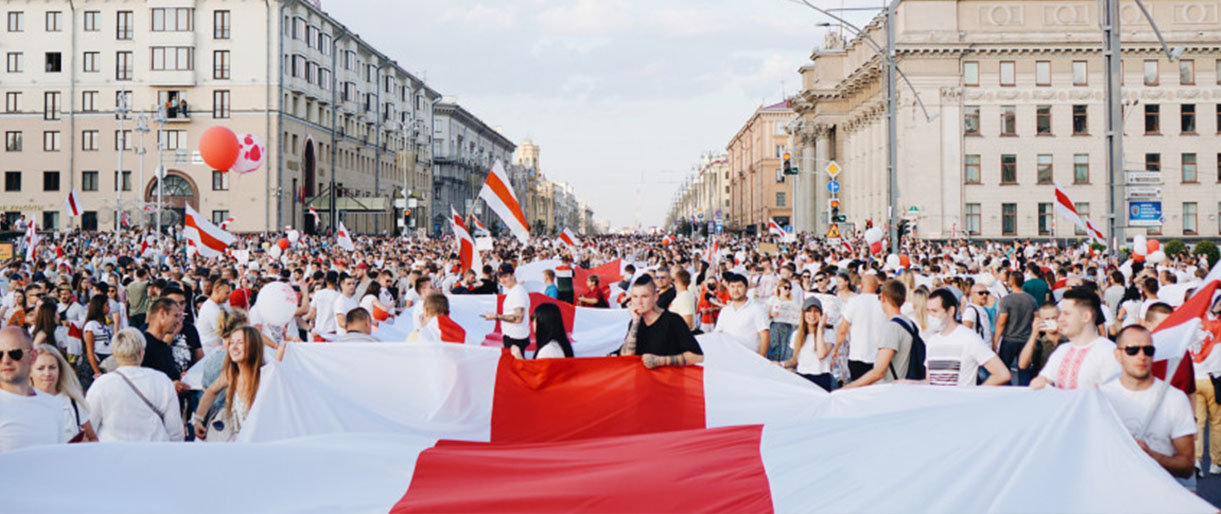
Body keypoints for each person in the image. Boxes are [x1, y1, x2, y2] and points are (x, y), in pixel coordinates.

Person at [1100, 325, 1195, 480]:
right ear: (1118, 355)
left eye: (1148, 350)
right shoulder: (1102, 397)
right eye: (1132, 350)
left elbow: (1187, 466)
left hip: (1160, 496)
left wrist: (1151, 456)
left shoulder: (1175, 399)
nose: (1142, 356)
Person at [85, 328, 184, 442]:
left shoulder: (101, 385)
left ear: (114, 354)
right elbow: (175, 431)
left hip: (114, 453)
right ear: (141, 352)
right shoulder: (162, 381)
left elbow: (90, 427)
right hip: (154, 452)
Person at [1030, 287, 1120, 390]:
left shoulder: (1108, 352)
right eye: (1061, 313)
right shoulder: (1062, 350)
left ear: (1086, 317)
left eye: (1067, 314)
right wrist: (1040, 382)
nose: (1060, 319)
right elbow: (1044, 378)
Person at [923, 288, 1010, 386]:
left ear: (951, 311)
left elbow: (1002, 374)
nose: (930, 316)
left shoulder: (969, 338)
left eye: (934, 311)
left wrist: (974, 394)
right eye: (928, 311)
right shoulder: (932, 341)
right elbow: (930, 380)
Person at [0, 327, 67, 452]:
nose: (5, 360)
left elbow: (59, 456)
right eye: (0, 354)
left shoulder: (52, 404)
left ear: (33, 356)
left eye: (15, 354)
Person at [192, 326, 265, 441]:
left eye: (240, 342)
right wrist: (198, 419)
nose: (234, 347)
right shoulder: (231, 374)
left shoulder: (265, 376)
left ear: (253, 346)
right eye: (231, 343)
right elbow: (211, 391)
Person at [843, 279, 913, 389]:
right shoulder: (908, 322)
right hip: (902, 386)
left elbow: (878, 372)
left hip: (889, 389)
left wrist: (848, 387)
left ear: (883, 297)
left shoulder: (892, 327)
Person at [620, 276, 703, 368]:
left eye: (644, 296)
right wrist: (635, 322)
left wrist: (660, 361)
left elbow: (697, 356)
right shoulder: (635, 323)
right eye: (635, 297)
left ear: (655, 297)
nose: (639, 302)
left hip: (668, 380)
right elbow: (626, 356)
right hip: (642, 380)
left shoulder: (673, 320)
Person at [30, 344, 97, 442]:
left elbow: (93, 438)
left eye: (52, 367)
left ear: (60, 370)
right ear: (30, 372)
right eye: (40, 368)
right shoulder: (22, 404)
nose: (47, 373)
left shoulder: (73, 402)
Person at [836, 274, 885, 381]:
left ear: (861, 286)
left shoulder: (854, 302)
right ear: (877, 287)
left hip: (857, 355)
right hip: (879, 357)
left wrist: (835, 349)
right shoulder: (883, 303)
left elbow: (842, 331)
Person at [993, 271, 1037, 385]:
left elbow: (1002, 322)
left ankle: (1008, 392)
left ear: (1011, 282)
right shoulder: (1031, 300)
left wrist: (996, 339)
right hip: (1025, 339)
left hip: (1009, 339)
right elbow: (1036, 318)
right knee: (1024, 370)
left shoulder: (1006, 300)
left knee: (1004, 370)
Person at [140, 298, 188, 395]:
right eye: (176, 316)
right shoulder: (143, 346)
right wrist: (169, 386)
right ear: (162, 314)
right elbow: (141, 383)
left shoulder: (164, 346)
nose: (179, 321)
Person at [713, 273, 770, 355]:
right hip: (728, 356)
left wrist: (761, 360)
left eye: (739, 286)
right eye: (732, 287)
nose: (735, 290)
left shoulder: (756, 309)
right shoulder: (725, 311)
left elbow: (764, 335)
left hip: (749, 357)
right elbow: (718, 334)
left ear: (746, 289)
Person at [785, 297, 833, 391]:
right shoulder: (796, 335)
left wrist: (819, 329)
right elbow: (794, 360)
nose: (812, 314)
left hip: (821, 378)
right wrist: (781, 364)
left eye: (816, 311)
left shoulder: (828, 333)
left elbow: (821, 354)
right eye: (809, 311)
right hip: (801, 377)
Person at [483, 264, 530, 354]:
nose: (503, 280)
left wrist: (497, 317)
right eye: (501, 277)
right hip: (513, 336)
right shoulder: (514, 290)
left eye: (505, 276)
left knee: (516, 366)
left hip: (516, 338)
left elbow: (518, 318)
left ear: (513, 276)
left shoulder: (518, 292)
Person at [1017, 304, 1065, 378]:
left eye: (1054, 318)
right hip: (1043, 385)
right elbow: (1022, 365)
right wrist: (1034, 334)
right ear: (1041, 321)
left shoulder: (1069, 341)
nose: (1051, 321)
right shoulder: (1038, 343)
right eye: (1047, 319)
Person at [80, 294, 113, 386]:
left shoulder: (104, 325)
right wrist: (97, 372)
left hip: (106, 361)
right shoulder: (91, 325)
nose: (109, 307)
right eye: (107, 305)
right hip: (96, 362)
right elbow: (90, 351)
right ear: (99, 307)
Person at [765, 280, 800, 362]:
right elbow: (767, 314)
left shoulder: (793, 301)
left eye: (789, 288)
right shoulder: (773, 299)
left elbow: (796, 314)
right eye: (785, 287)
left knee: (786, 348)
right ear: (780, 288)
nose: (787, 290)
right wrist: (771, 314)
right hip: (775, 325)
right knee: (774, 347)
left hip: (788, 326)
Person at [195, 278, 231, 354]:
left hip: (216, 349)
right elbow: (224, 333)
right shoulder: (211, 309)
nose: (228, 296)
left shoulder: (219, 305)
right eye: (226, 293)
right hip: (209, 351)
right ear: (217, 291)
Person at [309, 271, 340, 339]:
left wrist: (312, 324)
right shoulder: (339, 296)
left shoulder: (318, 294)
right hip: (332, 330)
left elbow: (312, 313)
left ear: (326, 280)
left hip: (319, 329)